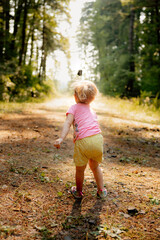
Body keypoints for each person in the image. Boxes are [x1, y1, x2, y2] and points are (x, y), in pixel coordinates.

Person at [54, 80, 107, 199]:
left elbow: (68, 123)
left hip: (83, 142)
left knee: (80, 169)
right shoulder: (92, 110)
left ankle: (78, 192)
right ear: (92, 98)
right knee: (95, 166)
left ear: (75, 96)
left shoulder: (73, 108)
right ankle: (101, 191)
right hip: (97, 139)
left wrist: (61, 138)